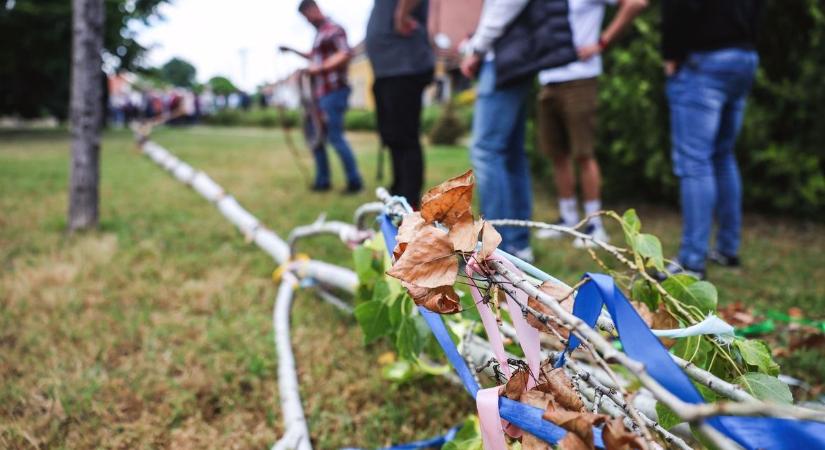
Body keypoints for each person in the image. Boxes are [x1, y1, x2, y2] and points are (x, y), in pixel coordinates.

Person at [461, 0, 578, 262]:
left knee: (486, 151)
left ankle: (496, 246)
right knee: (510, 154)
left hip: (502, 60)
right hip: (511, 59)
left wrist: (476, 49)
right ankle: (516, 244)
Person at [659, 0, 761, 279]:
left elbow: (677, 7)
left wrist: (671, 54)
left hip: (704, 59)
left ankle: (692, 261)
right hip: (743, 56)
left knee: (694, 162)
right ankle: (728, 249)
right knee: (722, 154)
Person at [535, 0, 647, 247]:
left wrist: (601, 43)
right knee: (557, 155)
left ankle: (595, 225)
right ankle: (568, 219)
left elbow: (635, 4)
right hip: (548, 79)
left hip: (580, 79)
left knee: (583, 154)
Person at [280, 0, 364, 193]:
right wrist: (292, 50)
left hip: (334, 91)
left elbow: (344, 53)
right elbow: (314, 56)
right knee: (316, 137)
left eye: (306, 16)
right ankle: (322, 181)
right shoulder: (319, 35)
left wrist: (319, 68)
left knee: (335, 136)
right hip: (319, 94)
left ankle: (354, 182)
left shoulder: (334, 29)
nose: (307, 21)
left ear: (314, 9)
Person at [365, 0, 434, 209]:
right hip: (388, 70)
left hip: (404, 66)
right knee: (393, 136)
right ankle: (398, 191)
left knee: (405, 136)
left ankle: (409, 198)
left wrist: (401, 17)